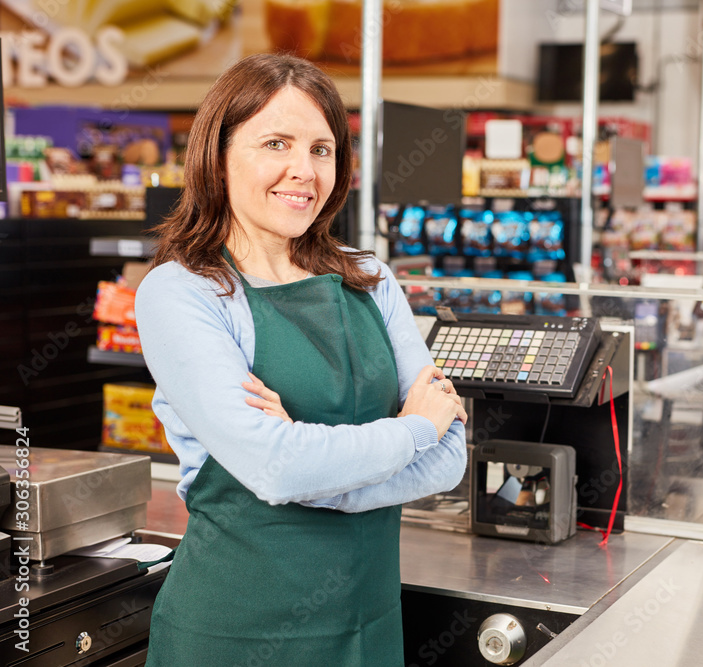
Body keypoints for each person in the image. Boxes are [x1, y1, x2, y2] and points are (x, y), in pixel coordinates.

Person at [135, 53, 468, 666]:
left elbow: (450, 461)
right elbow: (278, 468)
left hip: (367, 625)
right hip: (236, 632)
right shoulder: (182, 293)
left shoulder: (370, 278)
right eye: (276, 142)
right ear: (219, 155)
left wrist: (312, 468)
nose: (303, 170)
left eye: (321, 149)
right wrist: (413, 428)